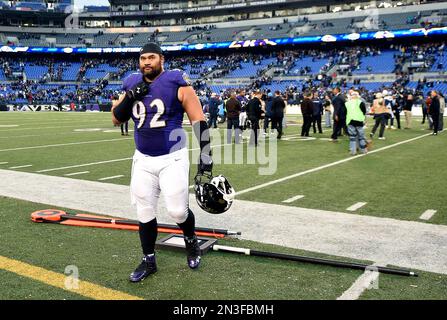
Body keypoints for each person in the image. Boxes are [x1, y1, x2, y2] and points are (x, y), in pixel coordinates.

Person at [111, 42, 212, 283]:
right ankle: (149, 260)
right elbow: (116, 119)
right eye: (143, 58)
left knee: (177, 211)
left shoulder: (176, 80)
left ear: (161, 59)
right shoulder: (131, 82)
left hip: (172, 158)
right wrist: (129, 98)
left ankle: (190, 241)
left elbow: (198, 120)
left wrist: (206, 158)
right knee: (144, 212)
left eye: (151, 57)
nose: (147, 62)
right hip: (143, 159)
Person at [345, 91, 368, 155]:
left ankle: (353, 151)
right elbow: (364, 111)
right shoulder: (360, 102)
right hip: (359, 121)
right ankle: (363, 150)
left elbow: (345, 112)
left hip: (350, 121)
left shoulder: (347, 103)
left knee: (352, 137)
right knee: (361, 137)